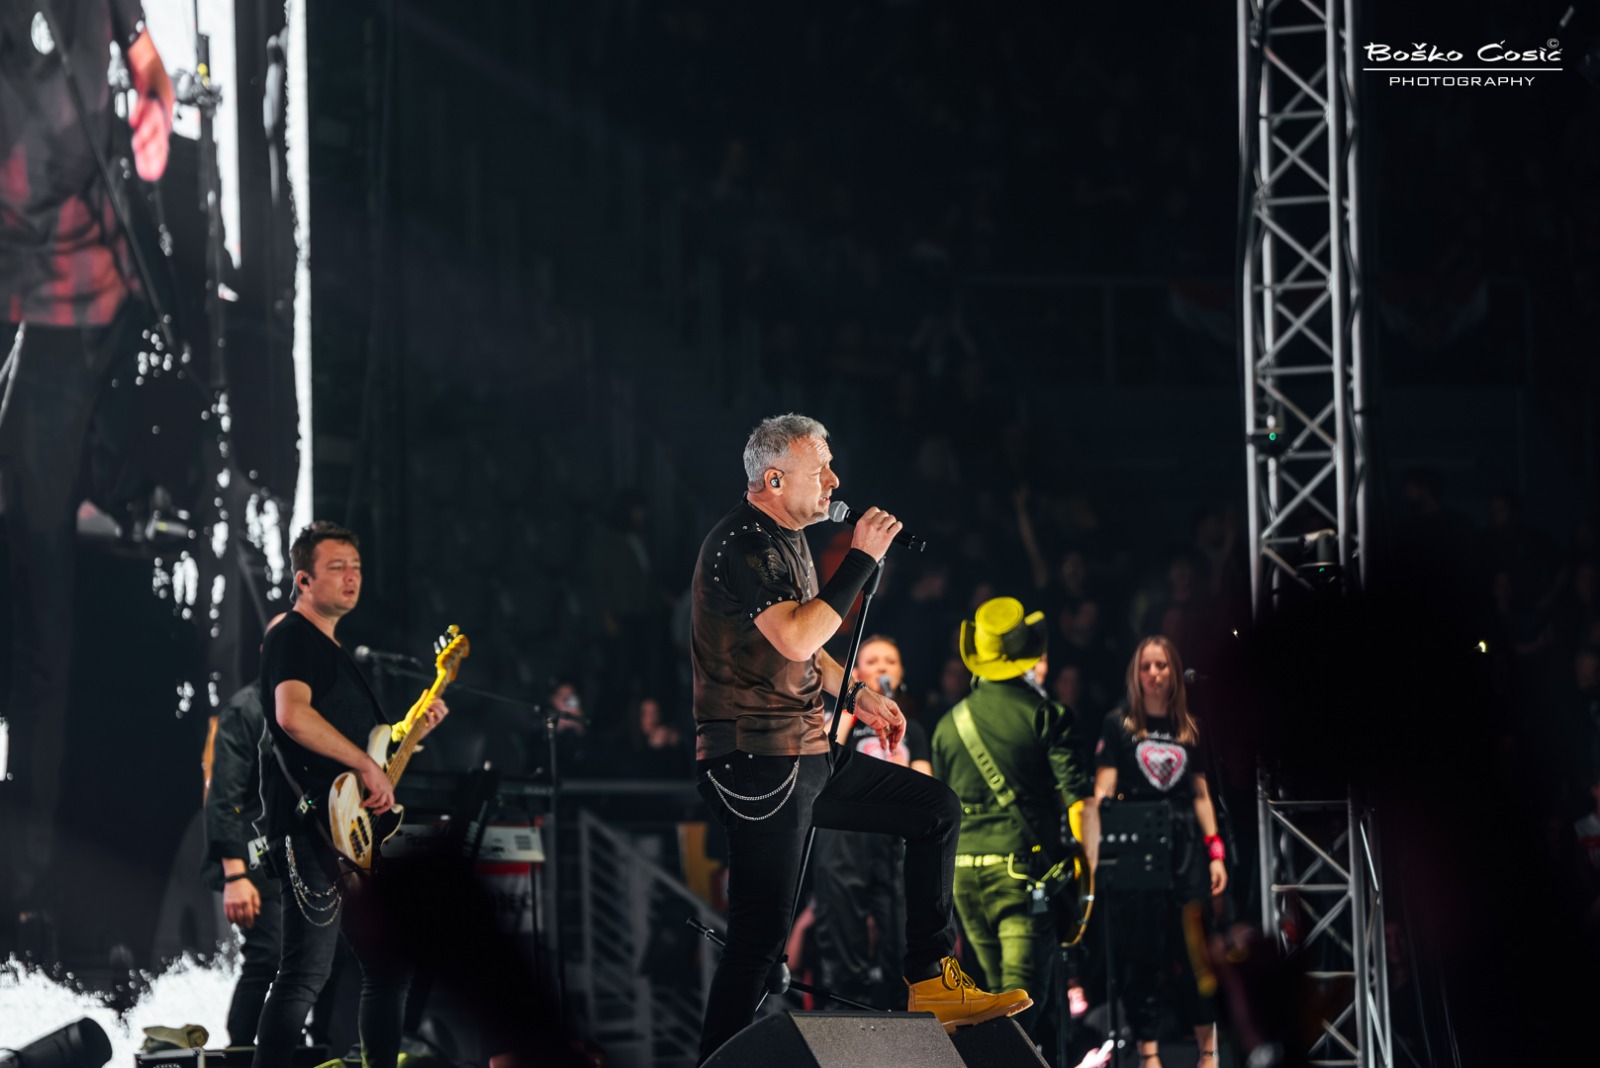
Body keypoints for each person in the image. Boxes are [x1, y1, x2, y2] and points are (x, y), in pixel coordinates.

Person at [691, 413, 1029, 1062]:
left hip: (803, 752)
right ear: (773, 480)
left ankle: (931, 979)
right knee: (759, 943)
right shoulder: (743, 542)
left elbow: (805, 644)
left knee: (934, 810)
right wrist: (862, 559)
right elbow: (796, 635)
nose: (835, 481)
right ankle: (714, 1062)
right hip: (754, 762)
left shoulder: (787, 539)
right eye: (820, 469)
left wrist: (856, 692)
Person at [0, 0, 172, 930]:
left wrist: (154, 109)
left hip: (69, 310)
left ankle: (27, 869)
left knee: (43, 589)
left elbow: (147, 65)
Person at [251, 522, 448, 1068]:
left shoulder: (332, 650)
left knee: (387, 967)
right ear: (303, 580)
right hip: (313, 829)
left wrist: (410, 731)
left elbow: (367, 748)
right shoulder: (293, 636)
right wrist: (365, 764)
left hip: (350, 834)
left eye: (356, 567)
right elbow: (292, 716)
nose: (351, 576)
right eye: (336, 567)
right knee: (304, 974)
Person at [930, 597, 1088, 1041]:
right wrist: (1087, 875)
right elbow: (1080, 804)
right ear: (1029, 655)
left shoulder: (947, 725)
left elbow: (940, 809)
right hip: (1021, 872)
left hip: (963, 875)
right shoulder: (1047, 715)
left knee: (996, 997)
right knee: (1020, 1002)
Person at [1087, 636, 1227, 1068]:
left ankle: (1209, 1052)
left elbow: (1201, 792)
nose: (1154, 674)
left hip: (1185, 842)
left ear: (1173, 672)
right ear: (1136, 673)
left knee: (1195, 950)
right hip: (1138, 839)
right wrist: (1097, 828)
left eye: (1162, 665)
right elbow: (1104, 783)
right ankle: (1149, 1055)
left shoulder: (1190, 726)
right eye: (1146, 666)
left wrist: (1215, 850)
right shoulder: (1119, 723)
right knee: (1140, 950)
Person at [811, 635, 933, 1010]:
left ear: (901, 673)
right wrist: (853, 703)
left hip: (892, 839)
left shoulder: (914, 730)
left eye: (890, 661)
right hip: (846, 837)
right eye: (873, 661)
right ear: (857, 672)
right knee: (844, 935)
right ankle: (849, 1012)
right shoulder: (837, 720)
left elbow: (927, 788)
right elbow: (821, 760)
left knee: (901, 936)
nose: (882, 667)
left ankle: (901, 1014)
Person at [203, 615, 286, 1047]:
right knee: (268, 954)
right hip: (255, 856)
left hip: (302, 855)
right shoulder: (246, 710)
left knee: (328, 962)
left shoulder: (318, 710)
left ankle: (310, 1048)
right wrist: (235, 874)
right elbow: (224, 796)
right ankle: (240, 1052)